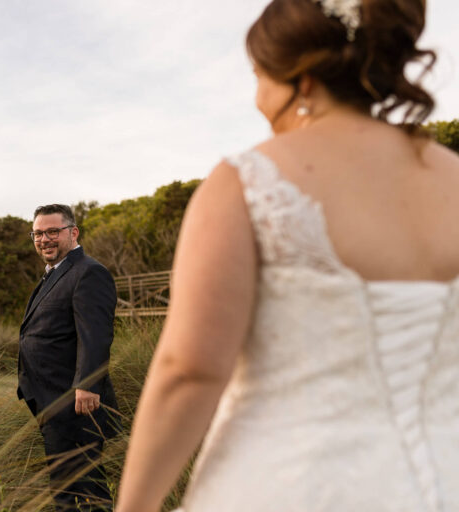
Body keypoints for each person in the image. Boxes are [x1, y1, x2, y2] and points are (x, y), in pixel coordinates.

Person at [116, 0, 459, 511]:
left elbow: (190, 369)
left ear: (302, 81)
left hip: (293, 486)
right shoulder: (451, 175)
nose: (257, 98)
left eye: (260, 77)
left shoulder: (250, 181)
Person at [18, 203, 120, 511]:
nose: (44, 239)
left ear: (72, 232)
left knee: (87, 491)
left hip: (76, 403)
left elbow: (96, 336)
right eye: (38, 233)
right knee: (64, 489)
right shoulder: (54, 273)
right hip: (50, 400)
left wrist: (87, 385)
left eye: (52, 232)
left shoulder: (89, 272)